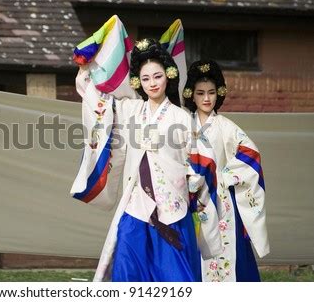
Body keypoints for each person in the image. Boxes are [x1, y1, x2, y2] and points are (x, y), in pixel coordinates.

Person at [71, 38, 222, 281]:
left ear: (169, 75)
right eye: (146, 78)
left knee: (176, 279)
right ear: (138, 82)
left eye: (157, 76)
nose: (152, 83)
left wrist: (193, 180)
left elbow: (200, 160)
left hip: (172, 207)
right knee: (127, 273)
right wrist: (84, 68)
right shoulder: (130, 110)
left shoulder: (182, 117)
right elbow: (97, 101)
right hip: (135, 205)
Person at [182, 60, 269, 281]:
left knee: (227, 253)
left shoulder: (227, 127)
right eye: (200, 93)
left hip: (221, 200)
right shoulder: (182, 125)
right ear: (192, 95)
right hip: (190, 198)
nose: (206, 98)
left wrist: (226, 176)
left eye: (211, 92)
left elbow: (251, 155)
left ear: (218, 93)